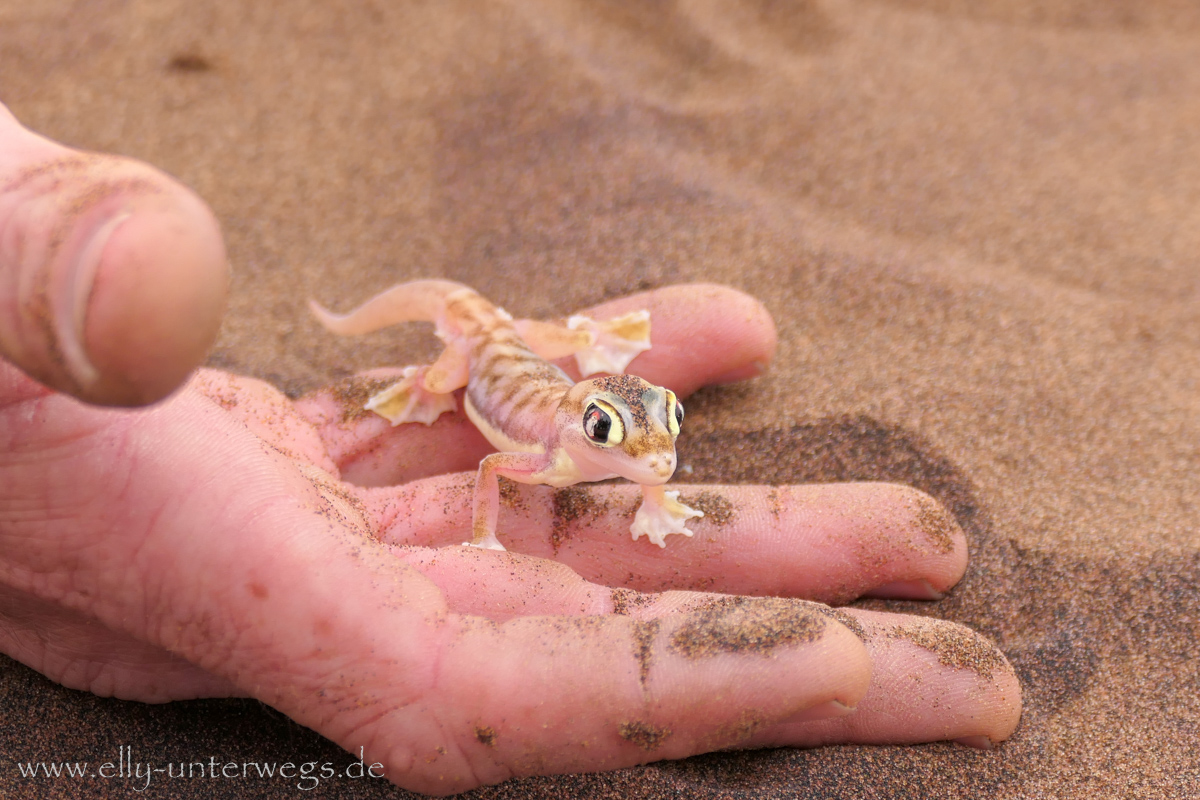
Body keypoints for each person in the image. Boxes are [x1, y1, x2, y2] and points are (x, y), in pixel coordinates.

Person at [0, 102, 1020, 795]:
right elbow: (487, 468)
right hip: (479, 350)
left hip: (527, 350)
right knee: (438, 384)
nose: (650, 456)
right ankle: (414, 381)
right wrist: (486, 539)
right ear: (583, 427)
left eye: (658, 435)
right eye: (622, 434)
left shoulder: (620, 446)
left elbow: (647, 465)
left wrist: (651, 492)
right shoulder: (539, 450)